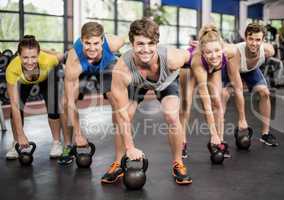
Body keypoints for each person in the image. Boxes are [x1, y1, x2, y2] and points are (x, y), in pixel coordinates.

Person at [110, 18, 192, 185]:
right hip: (137, 82)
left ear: (157, 43)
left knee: (171, 115)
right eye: (140, 44)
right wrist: (130, 148)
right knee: (124, 115)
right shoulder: (122, 69)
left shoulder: (172, 58)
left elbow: (189, 55)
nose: (146, 49)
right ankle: (118, 162)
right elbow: (121, 114)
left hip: (166, 80)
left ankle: (178, 162)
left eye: (150, 44)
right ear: (131, 44)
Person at [59, 22, 125, 167]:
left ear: (102, 41)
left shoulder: (115, 43)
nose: (92, 48)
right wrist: (78, 134)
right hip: (82, 68)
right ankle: (69, 144)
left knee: (116, 100)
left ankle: (121, 146)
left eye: (96, 43)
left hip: (106, 64)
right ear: (81, 40)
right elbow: (70, 102)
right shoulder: (74, 57)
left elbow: (132, 43)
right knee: (65, 102)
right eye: (87, 43)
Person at [188, 25, 247, 158]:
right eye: (209, 52)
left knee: (218, 103)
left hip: (214, 68)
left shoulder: (230, 52)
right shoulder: (197, 60)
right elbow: (206, 102)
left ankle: (220, 140)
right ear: (203, 52)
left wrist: (242, 118)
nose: (214, 55)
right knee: (186, 105)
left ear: (222, 48)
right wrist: (212, 133)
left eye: (217, 50)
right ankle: (183, 143)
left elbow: (237, 86)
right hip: (193, 68)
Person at [5, 35, 65, 159]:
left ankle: (56, 142)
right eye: (25, 57)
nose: (30, 61)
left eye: (33, 57)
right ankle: (16, 142)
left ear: (38, 55)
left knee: (53, 106)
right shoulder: (12, 69)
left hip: (46, 77)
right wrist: (21, 135)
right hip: (23, 81)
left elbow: (61, 55)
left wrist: (44, 50)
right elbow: (15, 106)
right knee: (15, 110)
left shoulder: (48, 60)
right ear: (19, 56)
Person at [222, 23, 279, 147]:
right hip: (232, 69)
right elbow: (238, 89)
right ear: (245, 38)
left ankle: (265, 134)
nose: (254, 43)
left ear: (263, 40)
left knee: (265, 92)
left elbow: (266, 54)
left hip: (250, 70)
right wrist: (242, 120)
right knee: (224, 95)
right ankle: (219, 140)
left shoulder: (269, 51)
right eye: (251, 39)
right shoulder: (235, 53)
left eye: (258, 40)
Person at [179, 34, 198, 158]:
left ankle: (218, 139)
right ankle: (182, 140)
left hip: (205, 69)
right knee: (186, 104)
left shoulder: (210, 51)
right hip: (188, 70)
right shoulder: (188, 52)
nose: (192, 42)